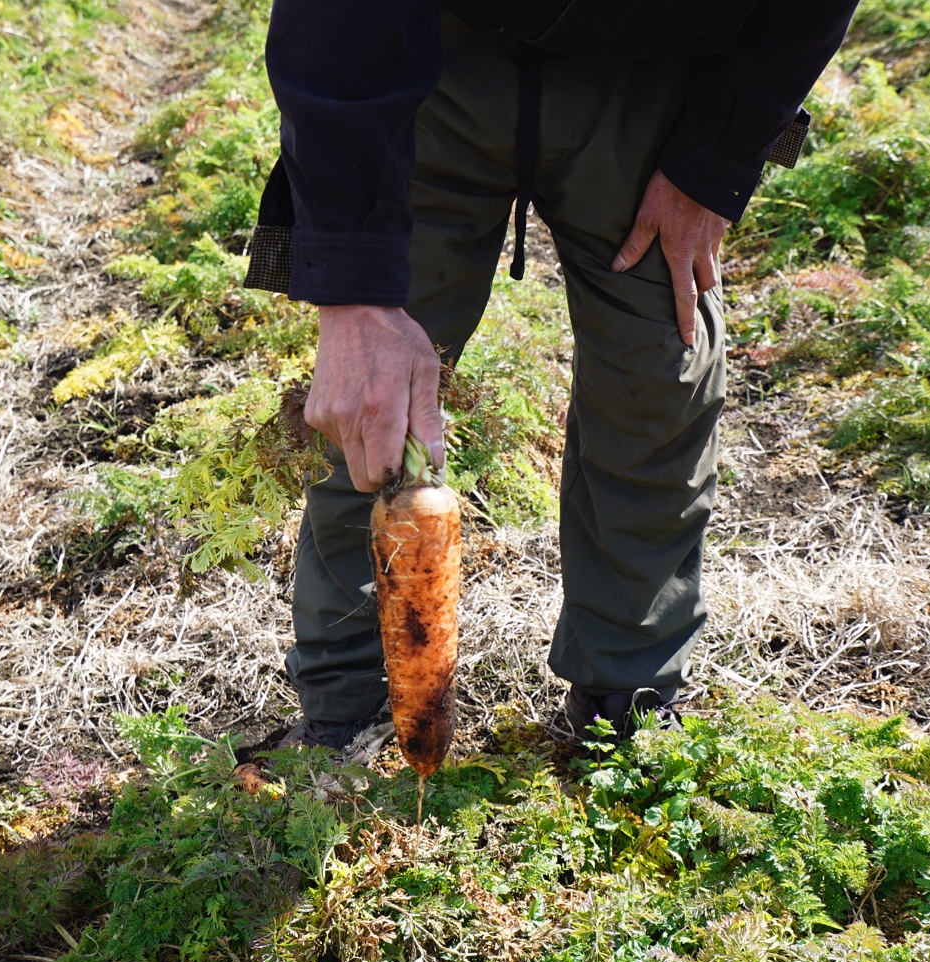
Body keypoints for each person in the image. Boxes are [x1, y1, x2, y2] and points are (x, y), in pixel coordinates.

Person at [245, 0, 858, 756]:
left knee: (658, 377)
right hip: (436, 51)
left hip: (658, 70)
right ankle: (343, 712)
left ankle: (625, 699)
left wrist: (713, 163)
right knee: (374, 405)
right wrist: (355, 288)